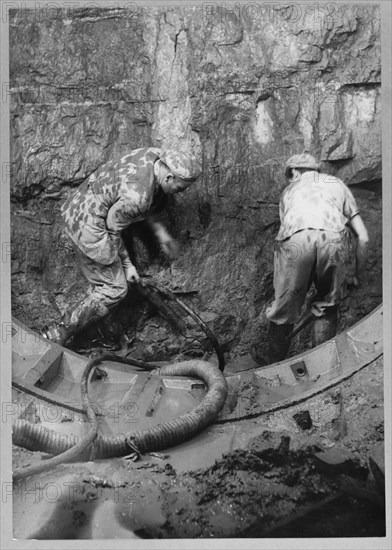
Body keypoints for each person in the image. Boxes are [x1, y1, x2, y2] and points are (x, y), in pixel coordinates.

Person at [42, 147, 201, 346]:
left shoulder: (154, 155)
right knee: (115, 288)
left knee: (112, 273)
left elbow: (144, 205)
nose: (181, 193)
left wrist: (162, 234)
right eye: (180, 188)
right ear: (169, 177)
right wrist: (128, 266)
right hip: (87, 224)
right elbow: (113, 230)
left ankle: (91, 329)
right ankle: (62, 330)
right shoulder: (138, 198)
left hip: (79, 201)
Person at [251, 153, 369, 365]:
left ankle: (272, 364)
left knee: (283, 309)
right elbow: (364, 237)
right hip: (334, 238)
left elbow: (287, 231)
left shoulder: (288, 191)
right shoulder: (336, 183)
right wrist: (355, 272)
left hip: (296, 240)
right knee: (327, 305)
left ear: (294, 172)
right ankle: (323, 366)